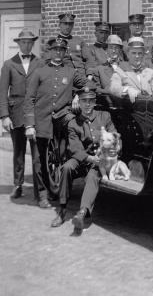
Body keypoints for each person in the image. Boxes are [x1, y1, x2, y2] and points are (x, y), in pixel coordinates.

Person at [24, 37, 87, 207]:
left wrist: (77, 95)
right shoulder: (39, 71)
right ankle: (43, 195)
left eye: (61, 50)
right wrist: (29, 125)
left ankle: (60, 191)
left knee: (61, 157)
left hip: (60, 121)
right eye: (55, 50)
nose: (58, 53)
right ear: (50, 52)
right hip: (40, 121)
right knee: (38, 160)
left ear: (65, 52)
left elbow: (88, 85)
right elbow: (29, 99)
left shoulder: (71, 72)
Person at [50, 86, 116, 229]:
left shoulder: (104, 116)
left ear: (95, 102)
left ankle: (82, 212)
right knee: (66, 168)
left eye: (90, 101)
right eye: (84, 101)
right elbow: (75, 149)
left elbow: (115, 136)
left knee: (93, 176)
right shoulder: (73, 123)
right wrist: (90, 158)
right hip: (82, 159)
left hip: (100, 161)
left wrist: (112, 150)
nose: (87, 104)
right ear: (78, 103)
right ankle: (62, 210)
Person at [0, 29, 43, 200]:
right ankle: (18, 185)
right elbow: (2, 92)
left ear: (33, 43)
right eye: (23, 42)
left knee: (37, 153)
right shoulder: (9, 64)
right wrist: (4, 116)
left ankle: (39, 189)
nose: (26, 45)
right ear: (18, 43)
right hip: (15, 113)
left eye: (30, 42)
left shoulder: (39, 63)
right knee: (18, 152)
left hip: (34, 113)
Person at [110, 37, 153, 103]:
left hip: (149, 108)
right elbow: (113, 88)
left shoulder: (150, 72)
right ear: (128, 54)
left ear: (143, 55)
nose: (137, 56)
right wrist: (127, 90)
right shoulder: (120, 71)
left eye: (140, 53)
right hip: (131, 109)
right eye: (134, 53)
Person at [44, 13, 87, 77]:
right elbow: (47, 62)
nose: (68, 27)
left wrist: (89, 75)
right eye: (65, 24)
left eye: (70, 24)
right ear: (59, 25)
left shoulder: (79, 41)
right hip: (64, 76)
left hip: (81, 76)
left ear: (73, 25)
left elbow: (88, 59)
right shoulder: (52, 43)